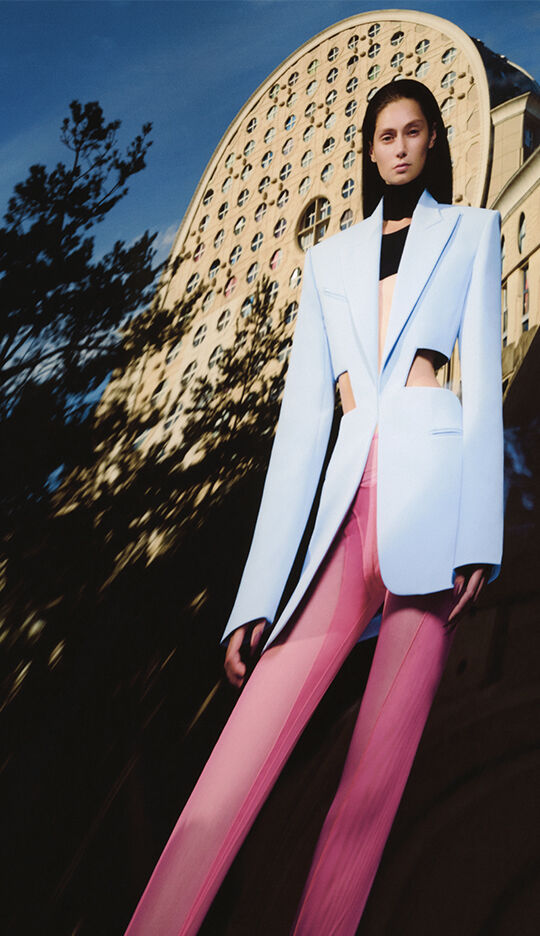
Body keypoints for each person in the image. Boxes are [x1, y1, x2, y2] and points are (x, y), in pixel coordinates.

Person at [124, 79, 504, 936]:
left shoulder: (475, 234)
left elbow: (478, 386)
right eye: (385, 136)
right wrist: (257, 599)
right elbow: (300, 433)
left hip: (433, 512)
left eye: (414, 133)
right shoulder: (329, 262)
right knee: (227, 776)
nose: (400, 147)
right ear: (369, 151)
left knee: (373, 786)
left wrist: (479, 530)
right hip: (344, 513)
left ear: (434, 143)